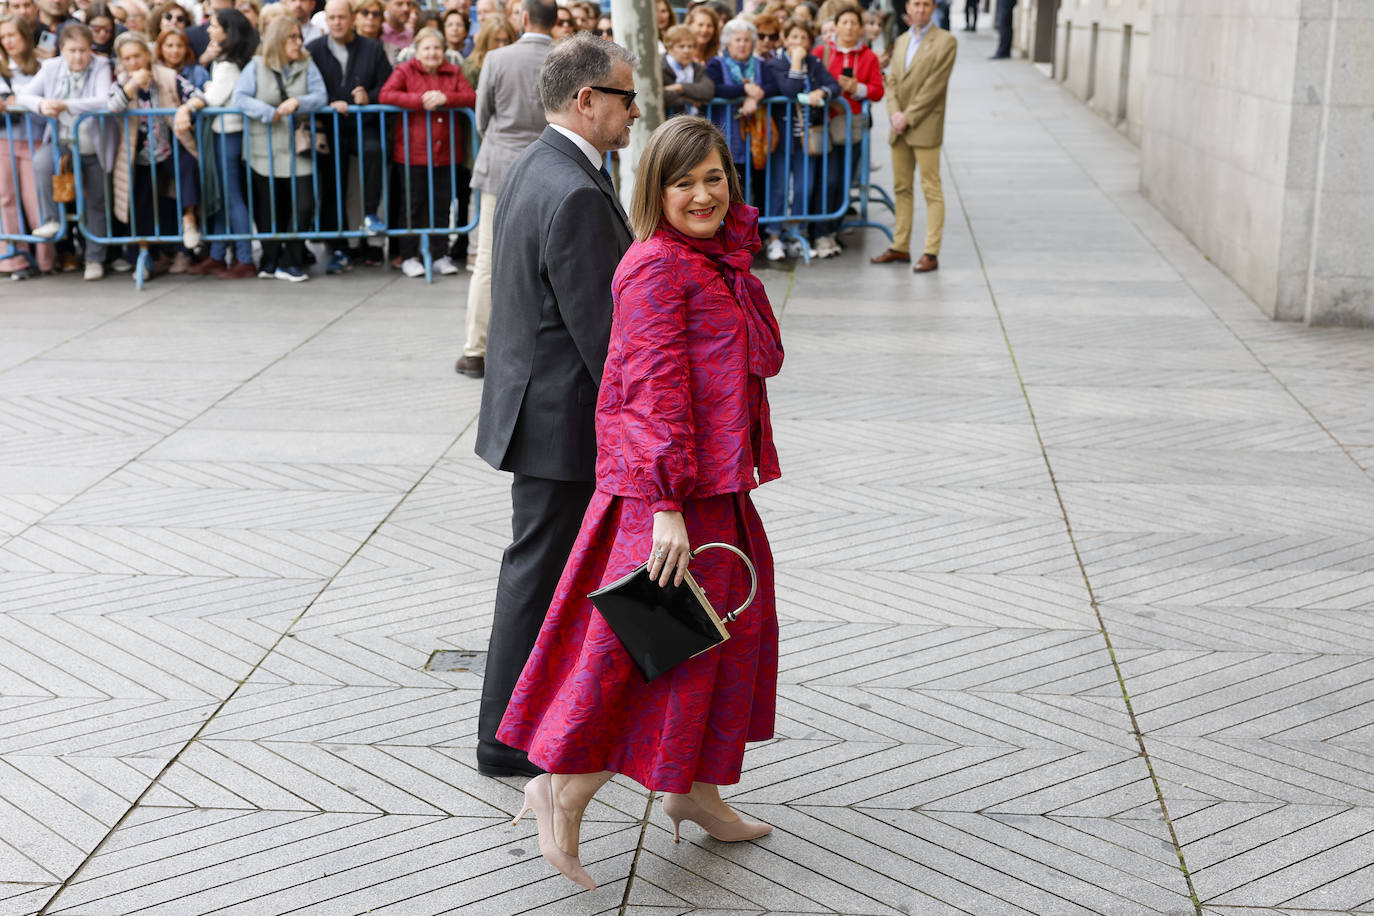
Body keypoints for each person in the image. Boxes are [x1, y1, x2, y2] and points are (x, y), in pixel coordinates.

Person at [498, 114, 783, 891]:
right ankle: (564, 787)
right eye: (683, 182)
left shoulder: (714, 260)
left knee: (716, 642)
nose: (702, 195)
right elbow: (646, 394)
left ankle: (697, 794)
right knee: (641, 652)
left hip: (715, 487)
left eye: (714, 178)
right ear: (655, 189)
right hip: (669, 498)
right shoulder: (658, 267)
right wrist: (664, 507)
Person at [473, 31, 638, 779]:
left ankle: (539, 720)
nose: (634, 112)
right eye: (627, 98)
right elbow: (602, 334)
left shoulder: (543, 164)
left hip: (536, 409)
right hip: (559, 421)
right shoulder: (571, 186)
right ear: (587, 100)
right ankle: (505, 739)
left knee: (545, 570)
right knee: (537, 573)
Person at [456, 0, 551, 380]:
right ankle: (532, 348)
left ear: (524, 18)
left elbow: (482, 118)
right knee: (544, 261)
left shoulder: (496, 59)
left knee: (488, 262)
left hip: (500, 165)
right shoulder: (566, 58)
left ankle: (475, 350)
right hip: (548, 167)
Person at [232, 14, 326, 280]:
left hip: (298, 147)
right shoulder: (256, 65)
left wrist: (298, 102)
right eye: (292, 37)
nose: (299, 42)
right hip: (265, 148)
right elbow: (240, 97)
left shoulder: (307, 64)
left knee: (304, 204)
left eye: (299, 36)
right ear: (278, 40)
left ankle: (292, 258)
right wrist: (266, 111)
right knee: (269, 207)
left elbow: (320, 96)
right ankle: (270, 259)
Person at [21, 22, 116, 279]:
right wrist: (42, 105)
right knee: (41, 162)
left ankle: (96, 258)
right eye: (72, 50)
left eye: (83, 50)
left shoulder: (101, 66)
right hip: (62, 140)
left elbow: (102, 100)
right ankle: (52, 219)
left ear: (90, 50)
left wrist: (65, 104)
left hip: (92, 143)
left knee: (96, 200)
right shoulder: (51, 67)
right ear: (62, 49)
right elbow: (24, 96)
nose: (78, 57)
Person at [378, 26, 472, 277]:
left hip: (446, 152)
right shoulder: (405, 70)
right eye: (427, 48)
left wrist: (445, 98)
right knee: (412, 205)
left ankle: (439, 253)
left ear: (444, 51)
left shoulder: (453, 71)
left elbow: (470, 96)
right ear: (416, 51)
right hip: (412, 151)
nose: (432, 53)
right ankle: (409, 255)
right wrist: (420, 100)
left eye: (437, 48)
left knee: (442, 205)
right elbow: (386, 95)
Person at [108, 29, 201, 274]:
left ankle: (188, 226)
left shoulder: (167, 76)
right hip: (137, 156)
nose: (133, 62)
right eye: (127, 58)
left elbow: (198, 95)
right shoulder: (120, 82)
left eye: (137, 56)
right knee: (140, 207)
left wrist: (186, 108)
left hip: (169, 148)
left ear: (147, 55)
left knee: (187, 168)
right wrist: (130, 88)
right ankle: (145, 258)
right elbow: (112, 108)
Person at [306, 0, 390, 272]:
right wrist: (329, 102)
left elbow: (387, 87)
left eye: (342, 17)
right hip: (330, 129)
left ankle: (369, 213)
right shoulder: (314, 50)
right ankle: (338, 248)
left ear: (352, 18)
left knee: (373, 150)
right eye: (332, 18)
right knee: (332, 185)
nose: (337, 23)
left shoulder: (373, 48)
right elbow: (309, 86)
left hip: (364, 124)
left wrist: (369, 97)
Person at [871, 0, 952, 272]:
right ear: (908, 7)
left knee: (931, 188)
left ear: (932, 8)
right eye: (916, 4)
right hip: (899, 125)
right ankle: (900, 246)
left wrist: (908, 116)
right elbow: (892, 81)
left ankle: (931, 251)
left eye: (926, 4)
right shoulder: (902, 40)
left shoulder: (945, 41)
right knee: (901, 188)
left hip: (924, 125)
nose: (920, 9)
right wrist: (894, 114)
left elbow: (934, 87)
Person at [186, 5, 256, 277]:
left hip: (228, 134)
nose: (208, 29)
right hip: (222, 132)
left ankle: (245, 258)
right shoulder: (227, 59)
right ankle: (217, 254)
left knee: (231, 195)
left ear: (228, 32)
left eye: (214, 25)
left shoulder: (228, 63)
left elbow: (213, 98)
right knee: (221, 194)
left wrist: (199, 97)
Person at [810, 2, 882, 258]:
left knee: (843, 181)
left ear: (861, 28)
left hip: (851, 128)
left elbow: (877, 90)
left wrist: (856, 87)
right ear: (836, 26)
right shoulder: (821, 52)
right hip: (824, 125)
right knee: (826, 180)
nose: (849, 27)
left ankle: (832, 231)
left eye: (854, 23)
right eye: (845, 22)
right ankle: (820, 232)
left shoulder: (869, 57)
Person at [763, 16, 837, 260]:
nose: (798, 42)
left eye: (803, 38)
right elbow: (789, 91)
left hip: (808, 139)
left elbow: (833, 86)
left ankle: (797, 233)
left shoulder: (814, 62)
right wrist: (795, 63)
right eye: (794, 37)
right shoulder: (775, 64)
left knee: (805, 187)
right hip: (783, 139)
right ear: (784, 38)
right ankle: (774, 236)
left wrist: (821, 91)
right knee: (779, 188)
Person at [0, 12, 56, 279]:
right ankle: (14, 259)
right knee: (6, 198)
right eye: (3, 37)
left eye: (12, 34)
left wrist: (20, 102)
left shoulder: (44, 66)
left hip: (36, 139)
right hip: (5, 140)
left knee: (37, 200)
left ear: (24, 35)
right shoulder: (3, 68)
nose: (8, 41)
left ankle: (45, 259)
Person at [704, 18, 777, 209]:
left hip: (758, 138)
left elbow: (773, 86)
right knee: (734, 187)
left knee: (761, 185)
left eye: (747, 40)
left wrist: (758, 95)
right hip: (729, 136)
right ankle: (734, 235)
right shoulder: (716, 64)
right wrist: (745, 89)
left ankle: (761, 233)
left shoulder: (761, 64)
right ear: (728, 42)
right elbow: (715, 88)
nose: (743, 44)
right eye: (737, 40)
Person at [660, 22, 711, 118]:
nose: (686, 51)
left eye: (690, 46)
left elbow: (708, 90)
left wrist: (680, 87)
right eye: (681, 46)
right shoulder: (660, 68)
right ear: (669, 48)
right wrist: (687, 99)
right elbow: (659, 94)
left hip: (692, 124)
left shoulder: (698, 68)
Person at [458, 11, 510, 89]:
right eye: (496, 40)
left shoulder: (515, 62)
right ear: (486, 40)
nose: (501, 46)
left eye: (505, 40)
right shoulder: (471, 67)